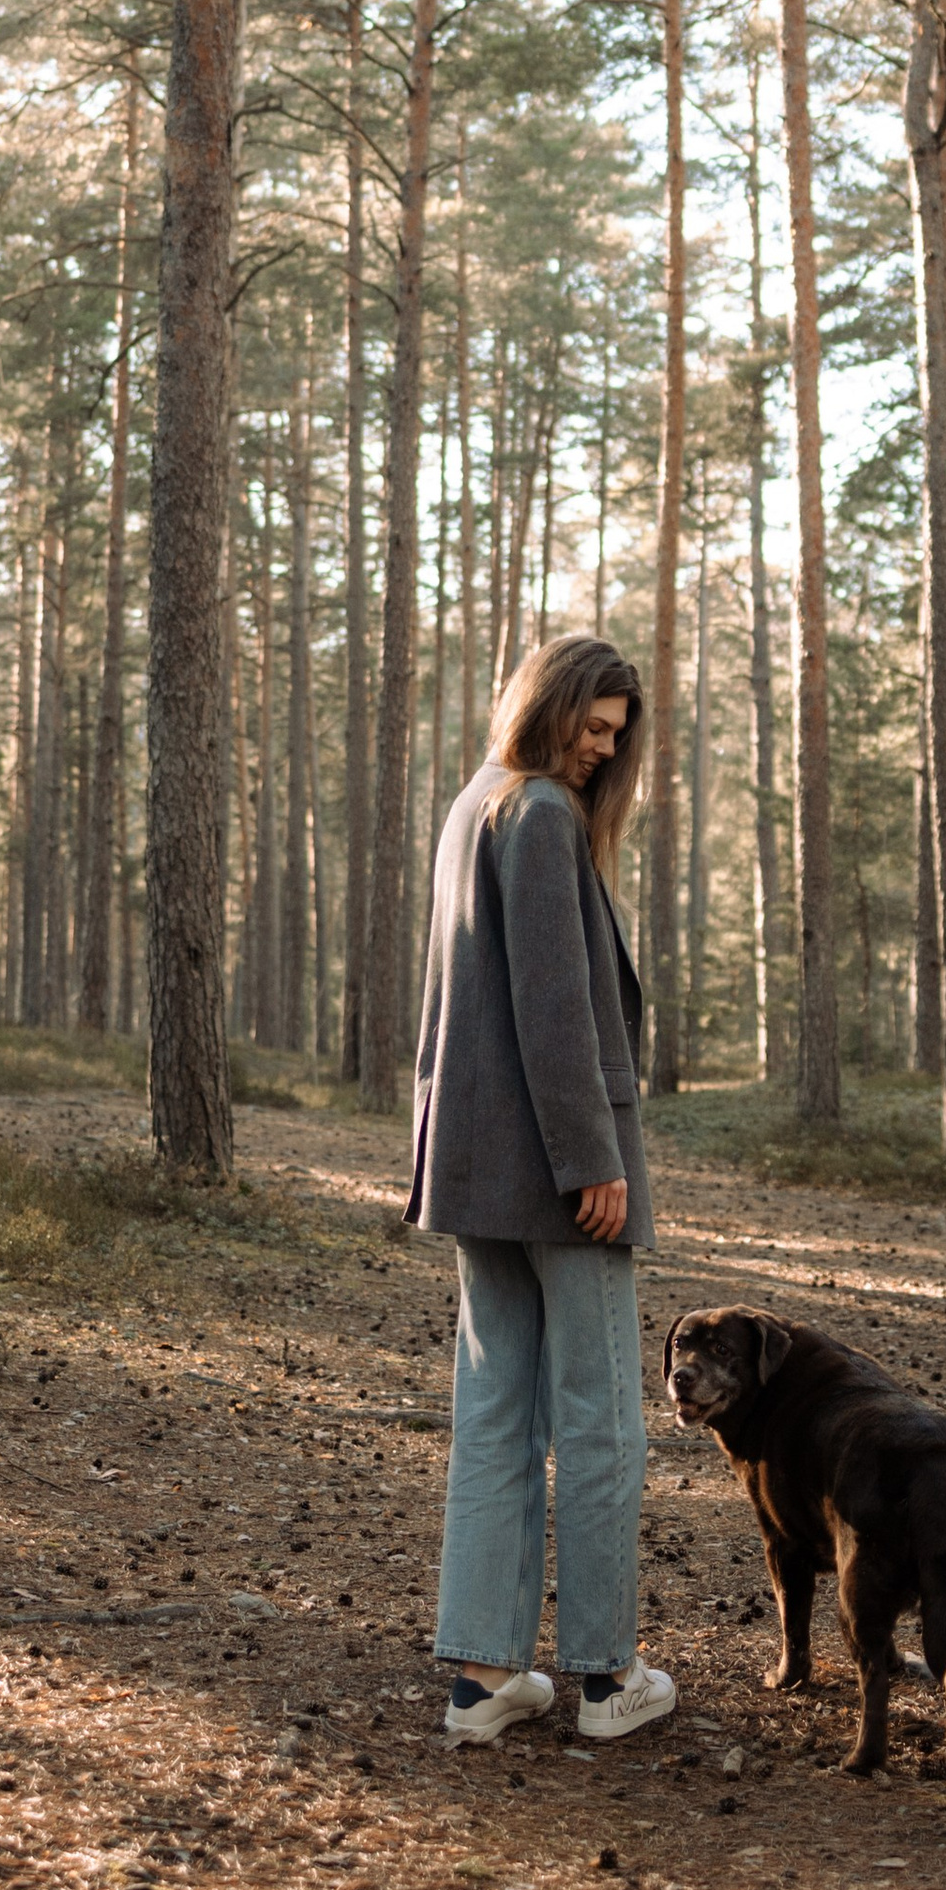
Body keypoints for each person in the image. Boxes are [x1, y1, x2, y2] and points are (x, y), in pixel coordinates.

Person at [404, 630, 676, 1747]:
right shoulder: (542, 818)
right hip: (561, 1175)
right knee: (602, 1418)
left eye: (616, 739)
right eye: (592, 725)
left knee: (495, 1417)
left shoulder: (476, 802)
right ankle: (608, 1682)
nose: (601, 753)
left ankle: (482, 1680)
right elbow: (556, 1013)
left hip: (474, 1171)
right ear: (547, 702)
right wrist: (592, 1163)